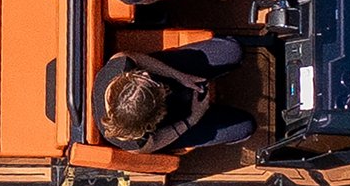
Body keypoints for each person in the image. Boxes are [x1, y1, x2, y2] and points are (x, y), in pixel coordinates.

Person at [94, 37, 255, 153]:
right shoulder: (134, 141)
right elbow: (156, 142)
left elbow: (139, 60)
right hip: (175, 121)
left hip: (168, 72)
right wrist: (193, 118)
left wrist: (179, 76)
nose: (146, 74)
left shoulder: (119, 66)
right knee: (246, 127)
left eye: (142, 76)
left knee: (233, 50)